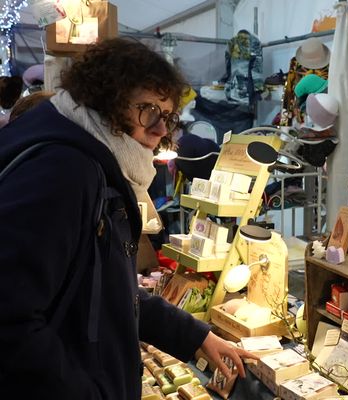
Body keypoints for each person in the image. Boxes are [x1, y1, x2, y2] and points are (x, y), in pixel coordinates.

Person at [0, 38, 256, 398]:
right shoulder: (64, 169)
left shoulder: (94, 163)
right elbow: (10, 321)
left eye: (167, 116)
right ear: (103, 98)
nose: (161, 129)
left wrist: (195, 334)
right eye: (149, 110)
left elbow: (106, 286)